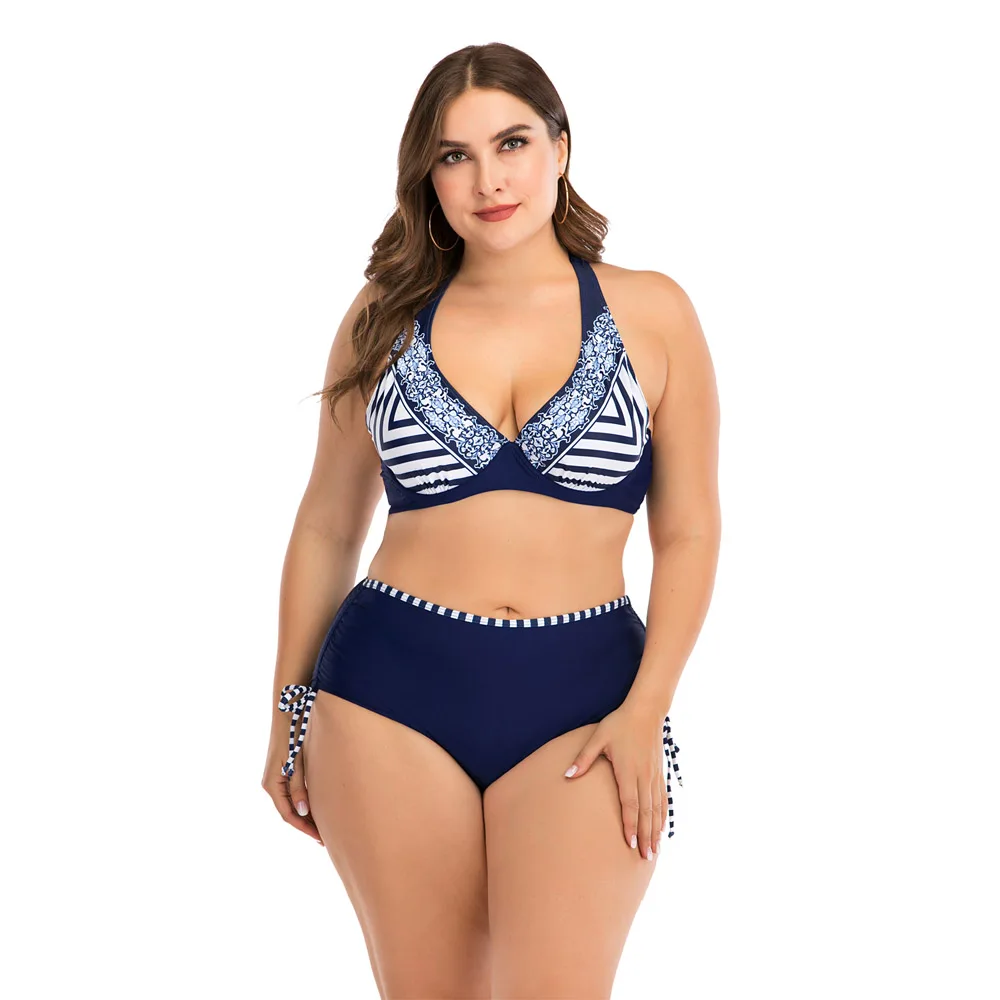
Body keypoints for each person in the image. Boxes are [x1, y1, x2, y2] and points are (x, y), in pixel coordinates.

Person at [261, 41, 720, 1000]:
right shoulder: (384, 317)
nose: (489, 180)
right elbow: (326, 526)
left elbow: (689, 531)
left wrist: (646, 711)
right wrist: (287, 714)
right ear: (427, 176)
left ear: (560, 145)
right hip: (387, 696)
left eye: (511, 143)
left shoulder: (654, 313)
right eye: (454, 155)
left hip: (589, 704)